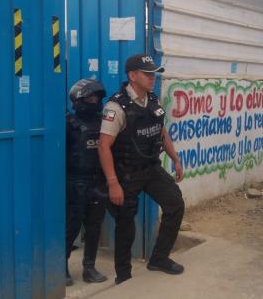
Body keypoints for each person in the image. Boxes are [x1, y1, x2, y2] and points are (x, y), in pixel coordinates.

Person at [98, 54, 185, 285]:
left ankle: (158, 258)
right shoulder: (116, 106)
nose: (152, 78)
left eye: (153, 73)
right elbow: (104, 146)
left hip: (150, 168)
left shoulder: (152, 100)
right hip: (126, 173)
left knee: (175, 204)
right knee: (126, 224)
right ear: (132, 76)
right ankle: (124, 276)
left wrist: (175, 158)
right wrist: (113, 182)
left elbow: (161, 131)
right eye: (147, 74)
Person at [65, 79, 108, 286]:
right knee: (71, 227)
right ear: (78, 100)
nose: (95, 101)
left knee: (94, 227)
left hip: (98, 182)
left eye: (97, 97)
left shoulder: (104, 123)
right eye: (90, 97)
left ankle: (89, 268)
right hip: (75, 183)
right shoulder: (68, 124)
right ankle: (61, 267)